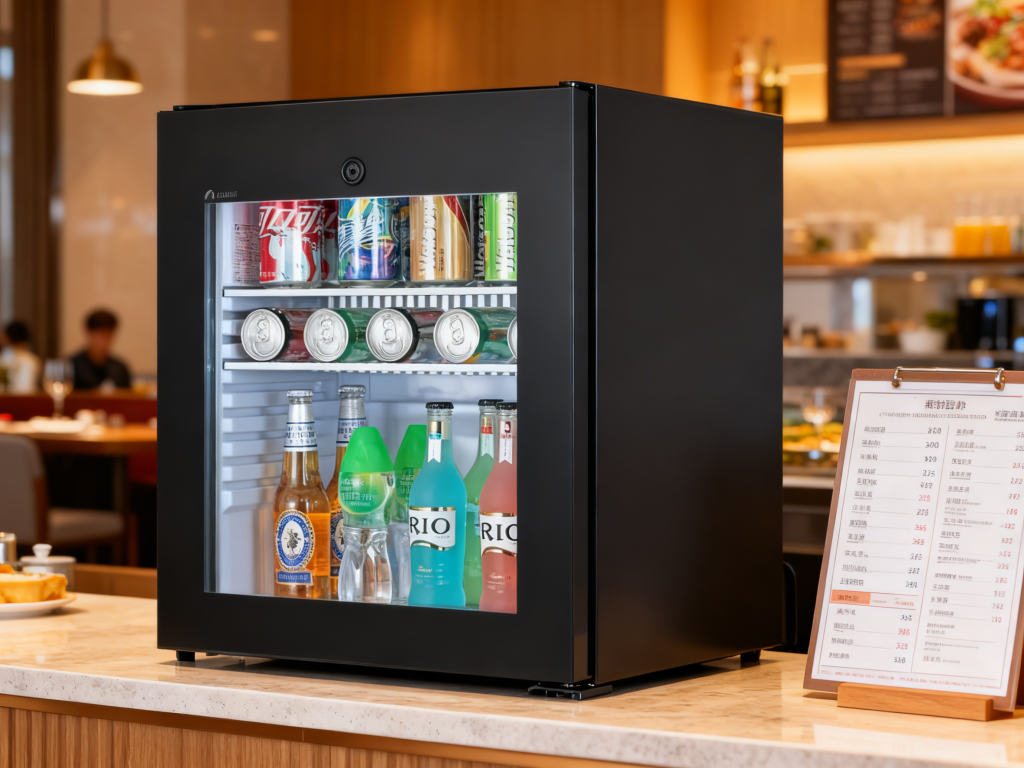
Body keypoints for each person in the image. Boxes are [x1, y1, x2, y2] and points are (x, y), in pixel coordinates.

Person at [70, 309, 132, 390]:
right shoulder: (72, 365)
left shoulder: (120, 368)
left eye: (108, 334)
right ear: (89, 333)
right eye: (100, 334)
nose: (104, 340)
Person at [0, 321, 41, 393]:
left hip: (19, 401)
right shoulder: (5, 357)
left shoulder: (28, 361)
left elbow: (24, 390)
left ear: (7, 337)